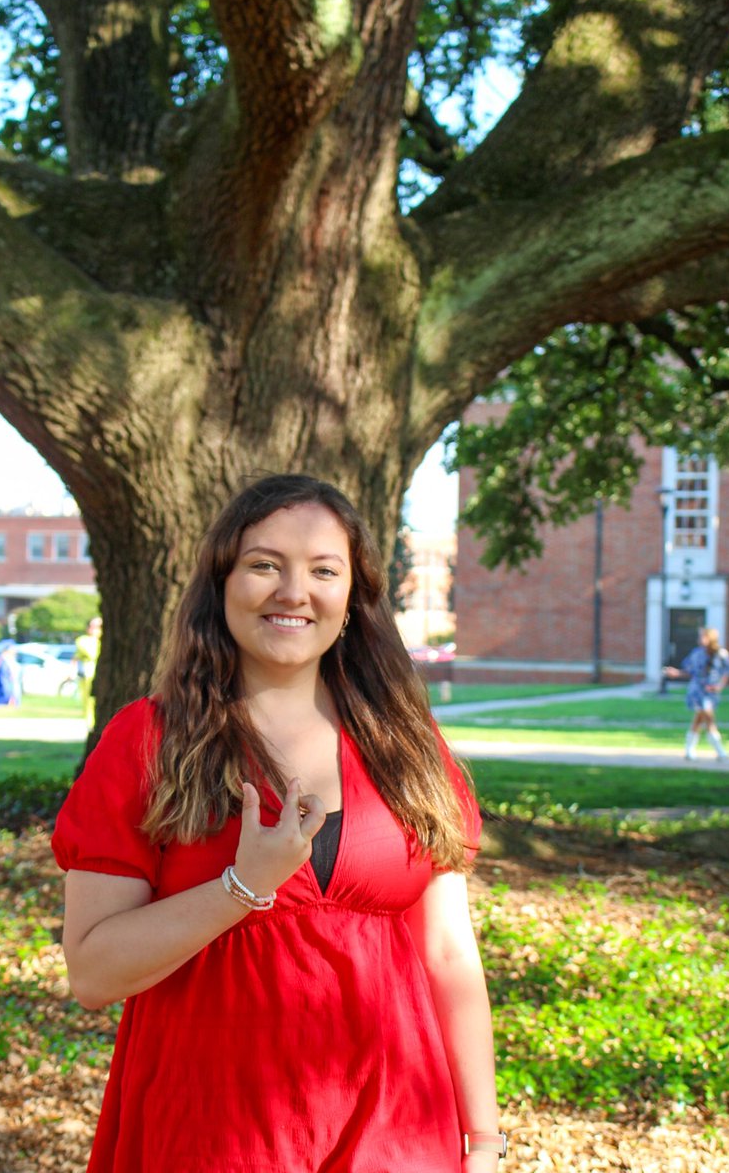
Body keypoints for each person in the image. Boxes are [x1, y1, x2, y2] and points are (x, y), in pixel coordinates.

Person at [52, 474, 503, 1173]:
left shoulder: (408, 749)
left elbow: (447, 955)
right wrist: (241, 886)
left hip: (398, 1130)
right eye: (265, 564)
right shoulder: (149, 743)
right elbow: (93, 971)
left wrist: (483, 1138)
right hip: (215, 1130)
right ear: (222, 584)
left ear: (353, 600)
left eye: (324, 570)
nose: (294, 592)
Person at [666, 627, 729, 760]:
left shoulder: (721, 653)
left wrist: (719, 686)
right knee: (709, 719)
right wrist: (676, 673)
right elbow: (688, 671)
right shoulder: (696, 653)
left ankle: (689, 751)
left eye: (703, 636)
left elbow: (726, 671)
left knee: (698, 720)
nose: (700, 639)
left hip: (711, 692)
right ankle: (720, 752)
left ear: (710, 638)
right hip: (697, 692)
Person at [73, 616, 102, 729]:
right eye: (95, 626)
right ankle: (91, 725)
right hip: (88, 675)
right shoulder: (83, 640)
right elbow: (91, 654)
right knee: (89, 702)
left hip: (96, 674)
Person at [0, 641, 22, 706]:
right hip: (5, 693)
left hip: (12, 690)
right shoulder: (3, 661)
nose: (15, 650)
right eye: (13, 648)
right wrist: (8, 697)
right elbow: (4, 680)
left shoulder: (11, 659)